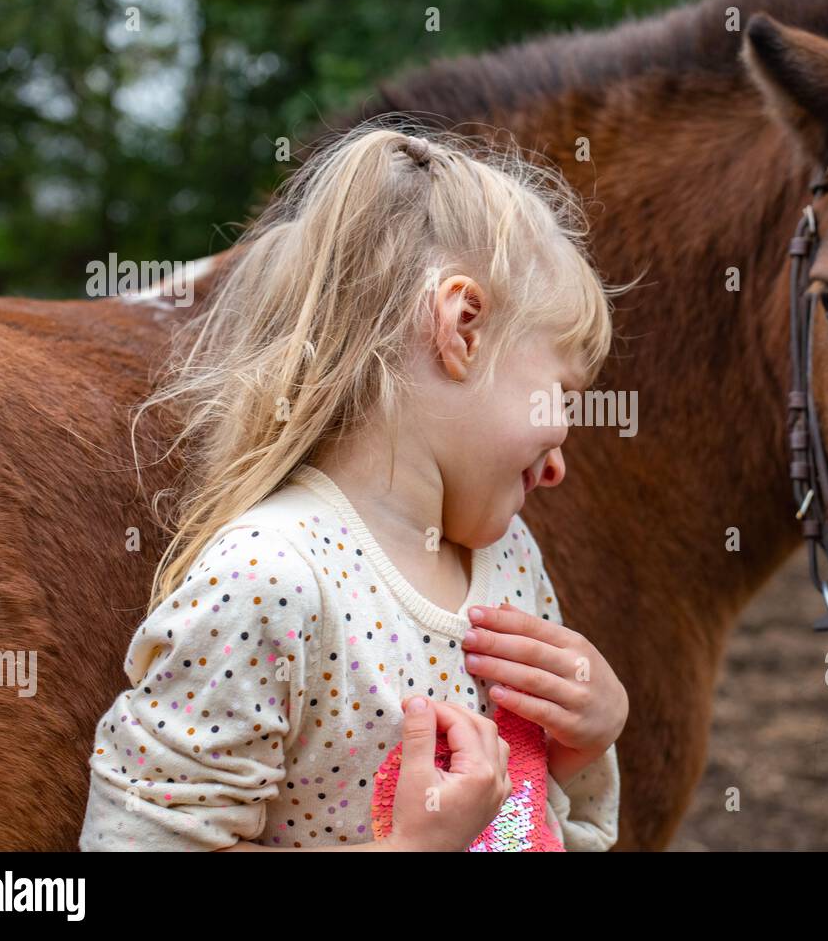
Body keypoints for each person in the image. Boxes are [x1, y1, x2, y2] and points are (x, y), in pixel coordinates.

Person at [79, 123, 632, 851]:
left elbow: (541, 822)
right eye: (561, 393)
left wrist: (588, 739)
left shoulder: (512, 558)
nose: (561, 461)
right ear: (462, 327)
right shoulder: (271, 579)